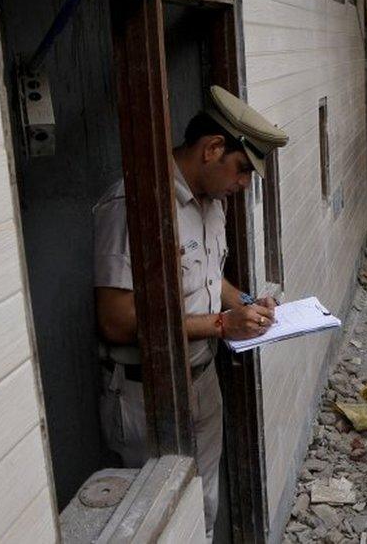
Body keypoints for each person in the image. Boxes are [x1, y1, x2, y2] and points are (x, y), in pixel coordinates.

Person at [94, 85, 288, 540]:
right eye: (242, 171)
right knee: (159, 527)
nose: (243, 185)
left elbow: (206, 280)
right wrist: (222, 325)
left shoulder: (212, 204)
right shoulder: (134, 205)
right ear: (212, 149)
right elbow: (115, 320)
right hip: (146, 394)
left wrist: (244, 304)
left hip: (202, 379)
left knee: (203, 505)